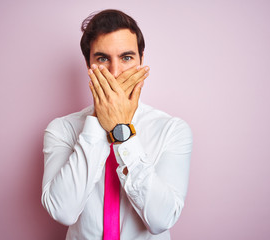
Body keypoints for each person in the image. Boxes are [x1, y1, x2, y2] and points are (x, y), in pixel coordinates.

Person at [41, 9, 193, 240]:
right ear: (88, 64)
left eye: (126, 57)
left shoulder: (172, 130)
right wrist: (97, 122)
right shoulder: (61, 130)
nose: (114, 72)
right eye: (102, 58)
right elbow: (63, 211)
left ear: (141, 60)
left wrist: (122, 131)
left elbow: (161, 220)